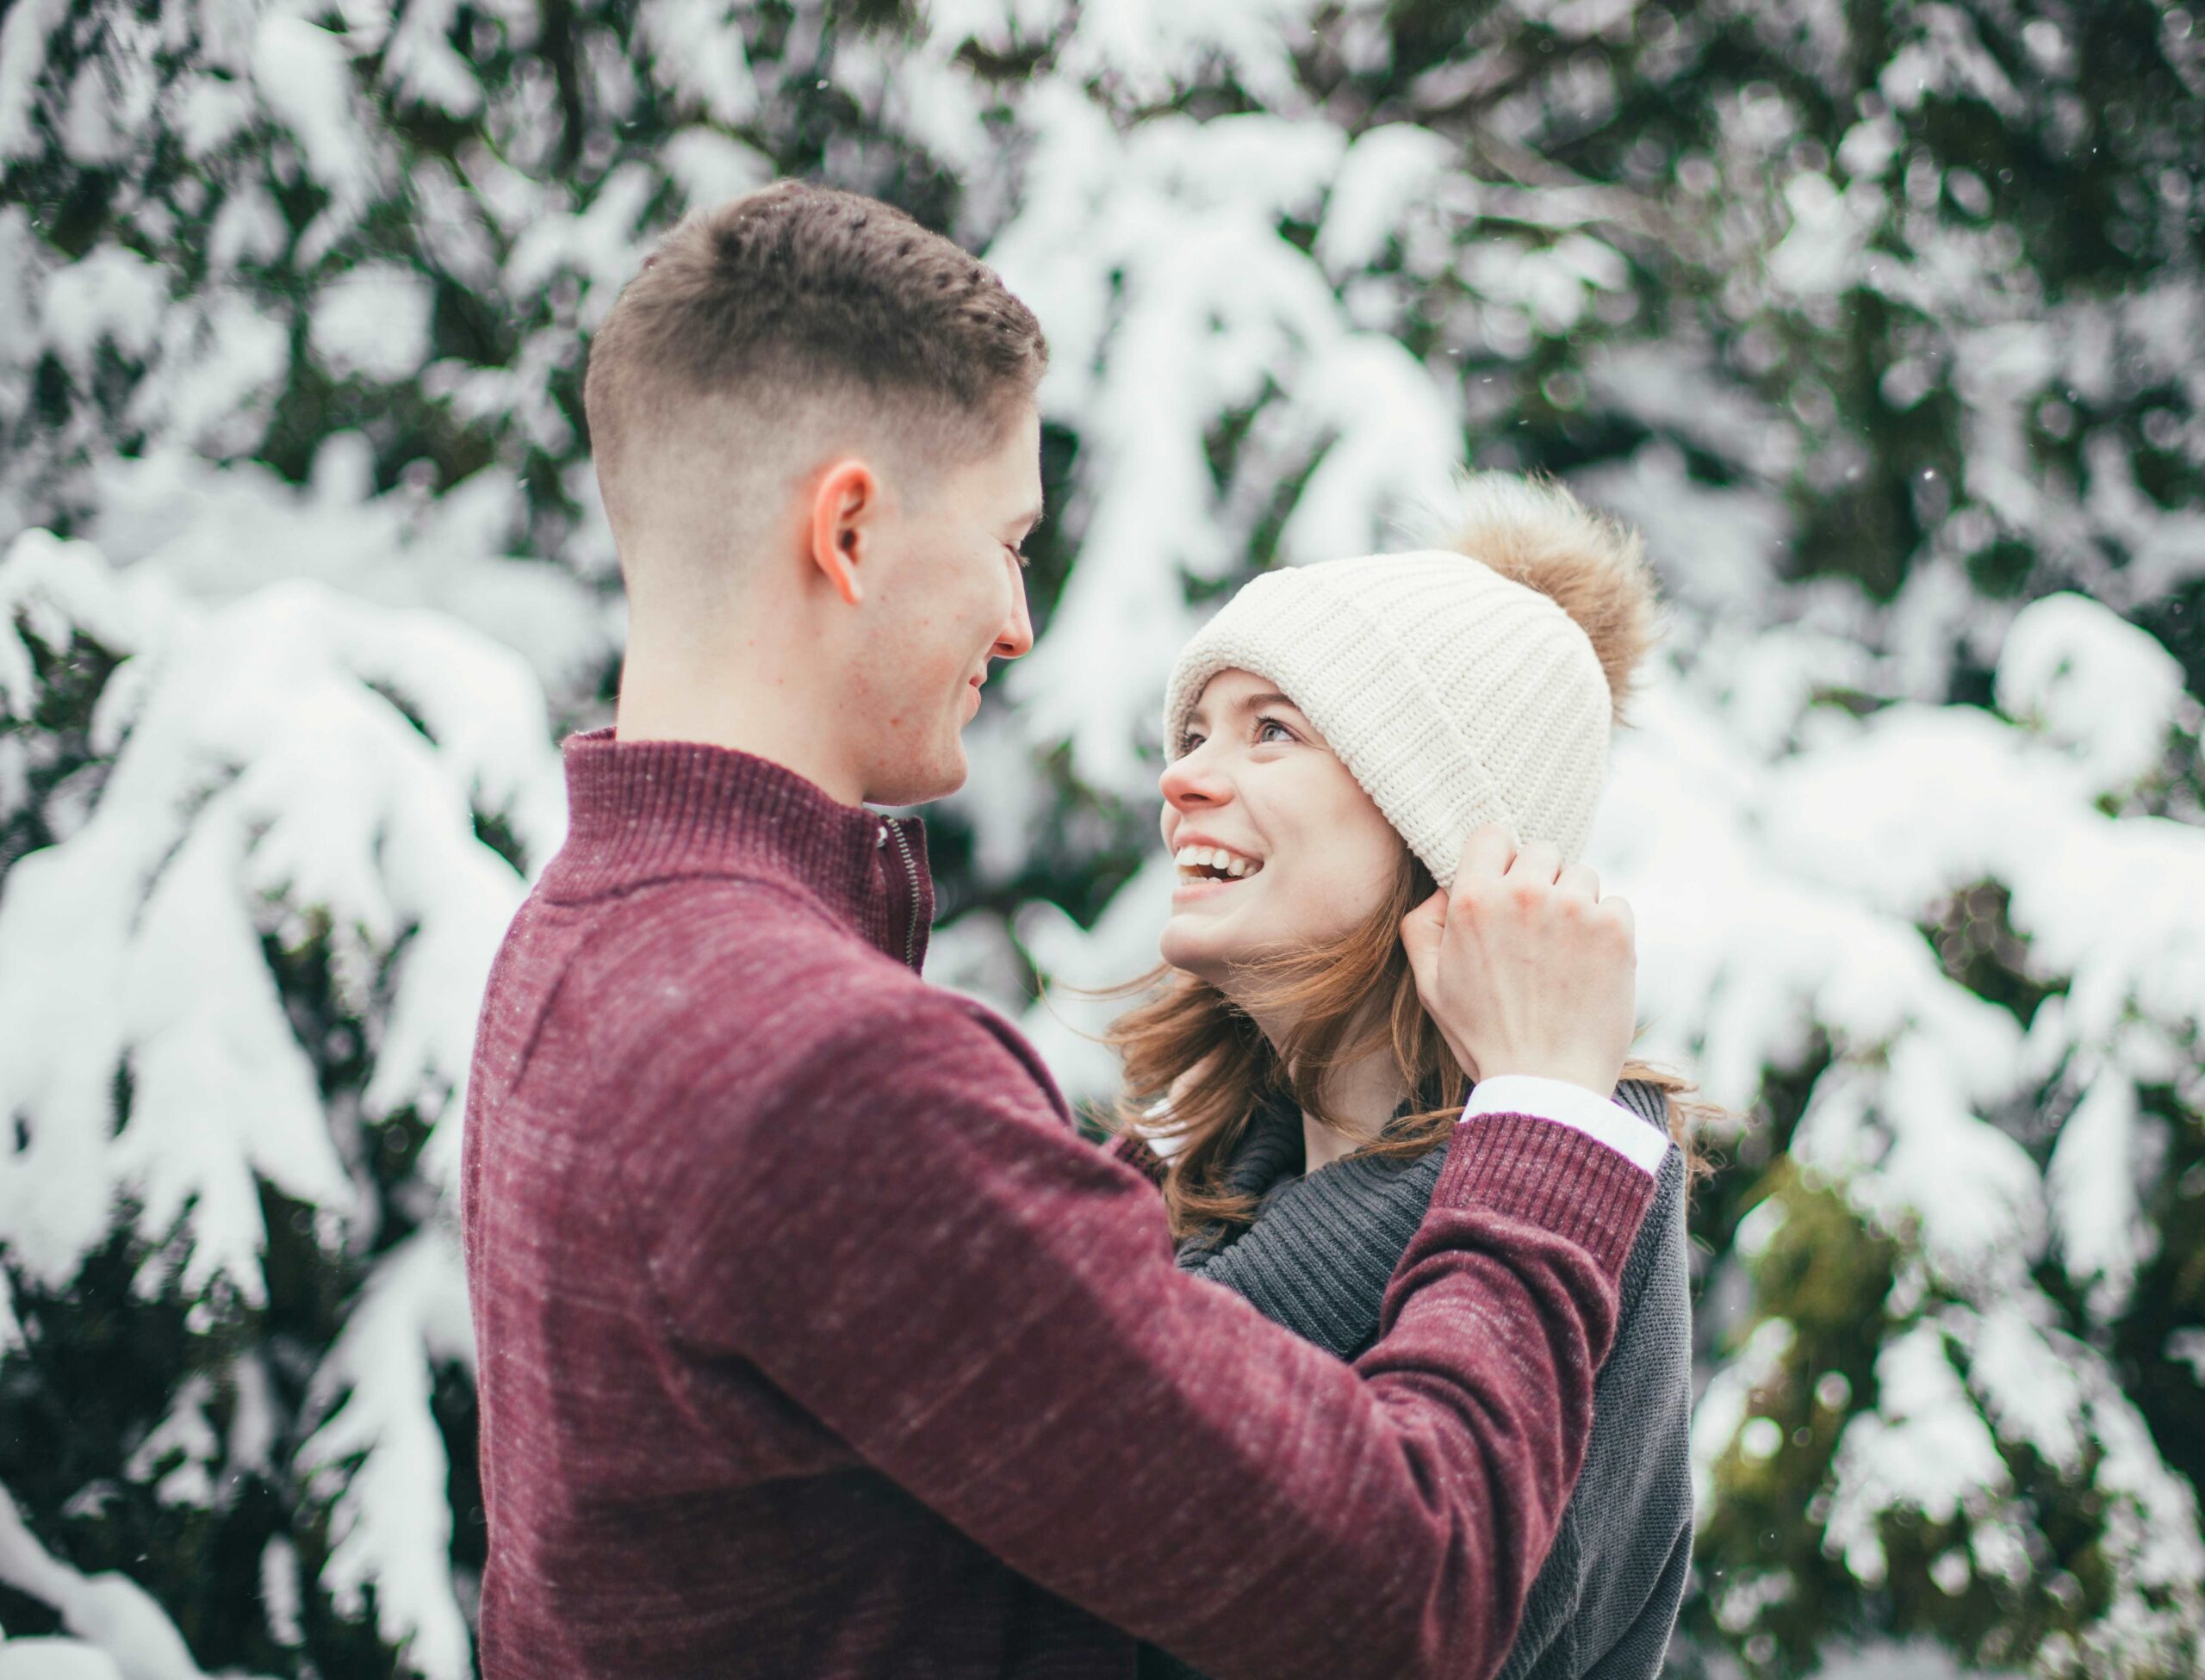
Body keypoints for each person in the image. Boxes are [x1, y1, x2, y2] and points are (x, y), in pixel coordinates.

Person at [458, 180, 1676, 1679]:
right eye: (1010, 540)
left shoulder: (577, 949)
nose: (1018, 624)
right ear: (848, 531)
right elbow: (1404, 1588)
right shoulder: (823, 1069)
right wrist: (1547, 1126)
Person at [1102, 475, 1703, 1680]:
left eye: (1271, 730)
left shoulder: (1592, 1194)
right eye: (1193, 733)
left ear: (1443, 824)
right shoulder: (1167, 1219)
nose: (1184, 780)